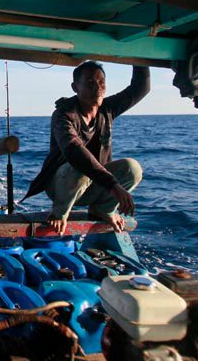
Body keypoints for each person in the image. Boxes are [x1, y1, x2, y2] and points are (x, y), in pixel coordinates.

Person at [21, 61, 150, 235]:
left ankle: (103, 209)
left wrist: (138, 56)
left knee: (132, 168)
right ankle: (59, 213)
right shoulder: (63, 115)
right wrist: (113, 186)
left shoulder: (107, 109)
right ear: (75, 87)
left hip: (94, 186)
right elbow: (74, 150)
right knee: (80, 167)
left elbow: (140, 88)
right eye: (90, 82)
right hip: (62, 187)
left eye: (101, 82)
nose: (97, 87)